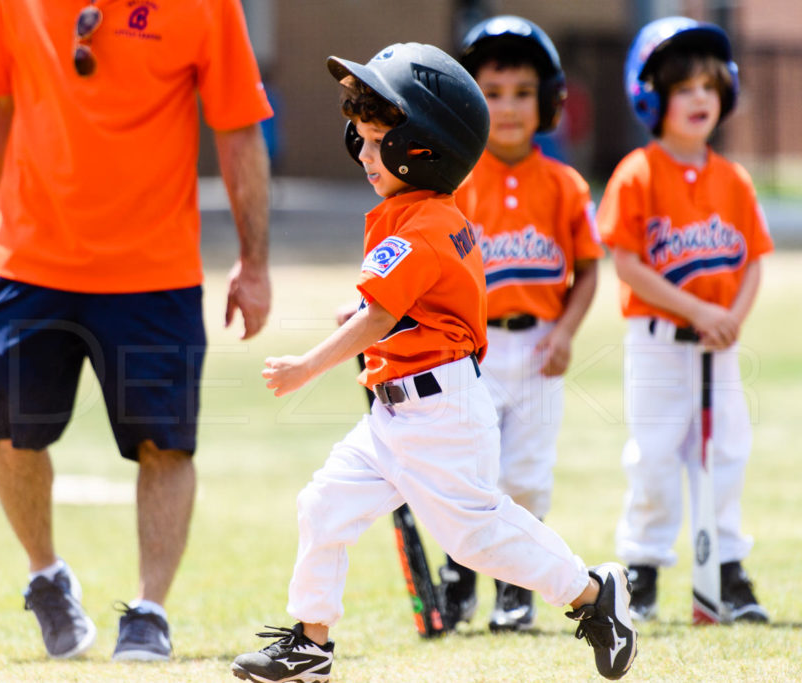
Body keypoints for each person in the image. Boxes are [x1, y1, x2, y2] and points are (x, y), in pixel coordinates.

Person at [230, 43, 637, 683]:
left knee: (475, 539)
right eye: (358, 138)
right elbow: (406, 300)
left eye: (374, 142)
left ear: (423, 149)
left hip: (439, 415)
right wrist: (362, 309)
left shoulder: (420, 224)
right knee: (324, 505)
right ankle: (311, 642)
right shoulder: (422, 214)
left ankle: (591, 594)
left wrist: (306, 366)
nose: (363, 154)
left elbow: (382, 317)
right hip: (401, 409)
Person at [0, 0, 273, 663]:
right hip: (26, 259)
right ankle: (46, 574)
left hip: (154, 269)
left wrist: (255, 260)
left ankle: (149, 609)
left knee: (165, 444)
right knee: (3, 420)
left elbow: (239, 127)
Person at [597, 16, 773, 623]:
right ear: (651, 95)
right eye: (683, 86)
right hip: (658, 344)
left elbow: (752, 260)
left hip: (718, 344)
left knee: (726, 451)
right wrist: (698, 309)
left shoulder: (735, 179)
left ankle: (725, 569)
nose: (700, 97)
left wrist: (731, 318)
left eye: (709, 84)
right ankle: (641, 571)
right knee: (653, 455)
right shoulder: (638, 173)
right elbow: (625, 263)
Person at [436, 15, 604, 634]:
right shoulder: (449, 184)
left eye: (523, 93)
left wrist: (565, 332)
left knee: (527, 473)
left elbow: (587, 271)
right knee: (464, 470)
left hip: (537, 346)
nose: (507, 108)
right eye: (491, 93)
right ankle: (458, 576)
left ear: (550, 101)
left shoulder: (564, 184)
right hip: (465, 351)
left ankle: (516, 586)